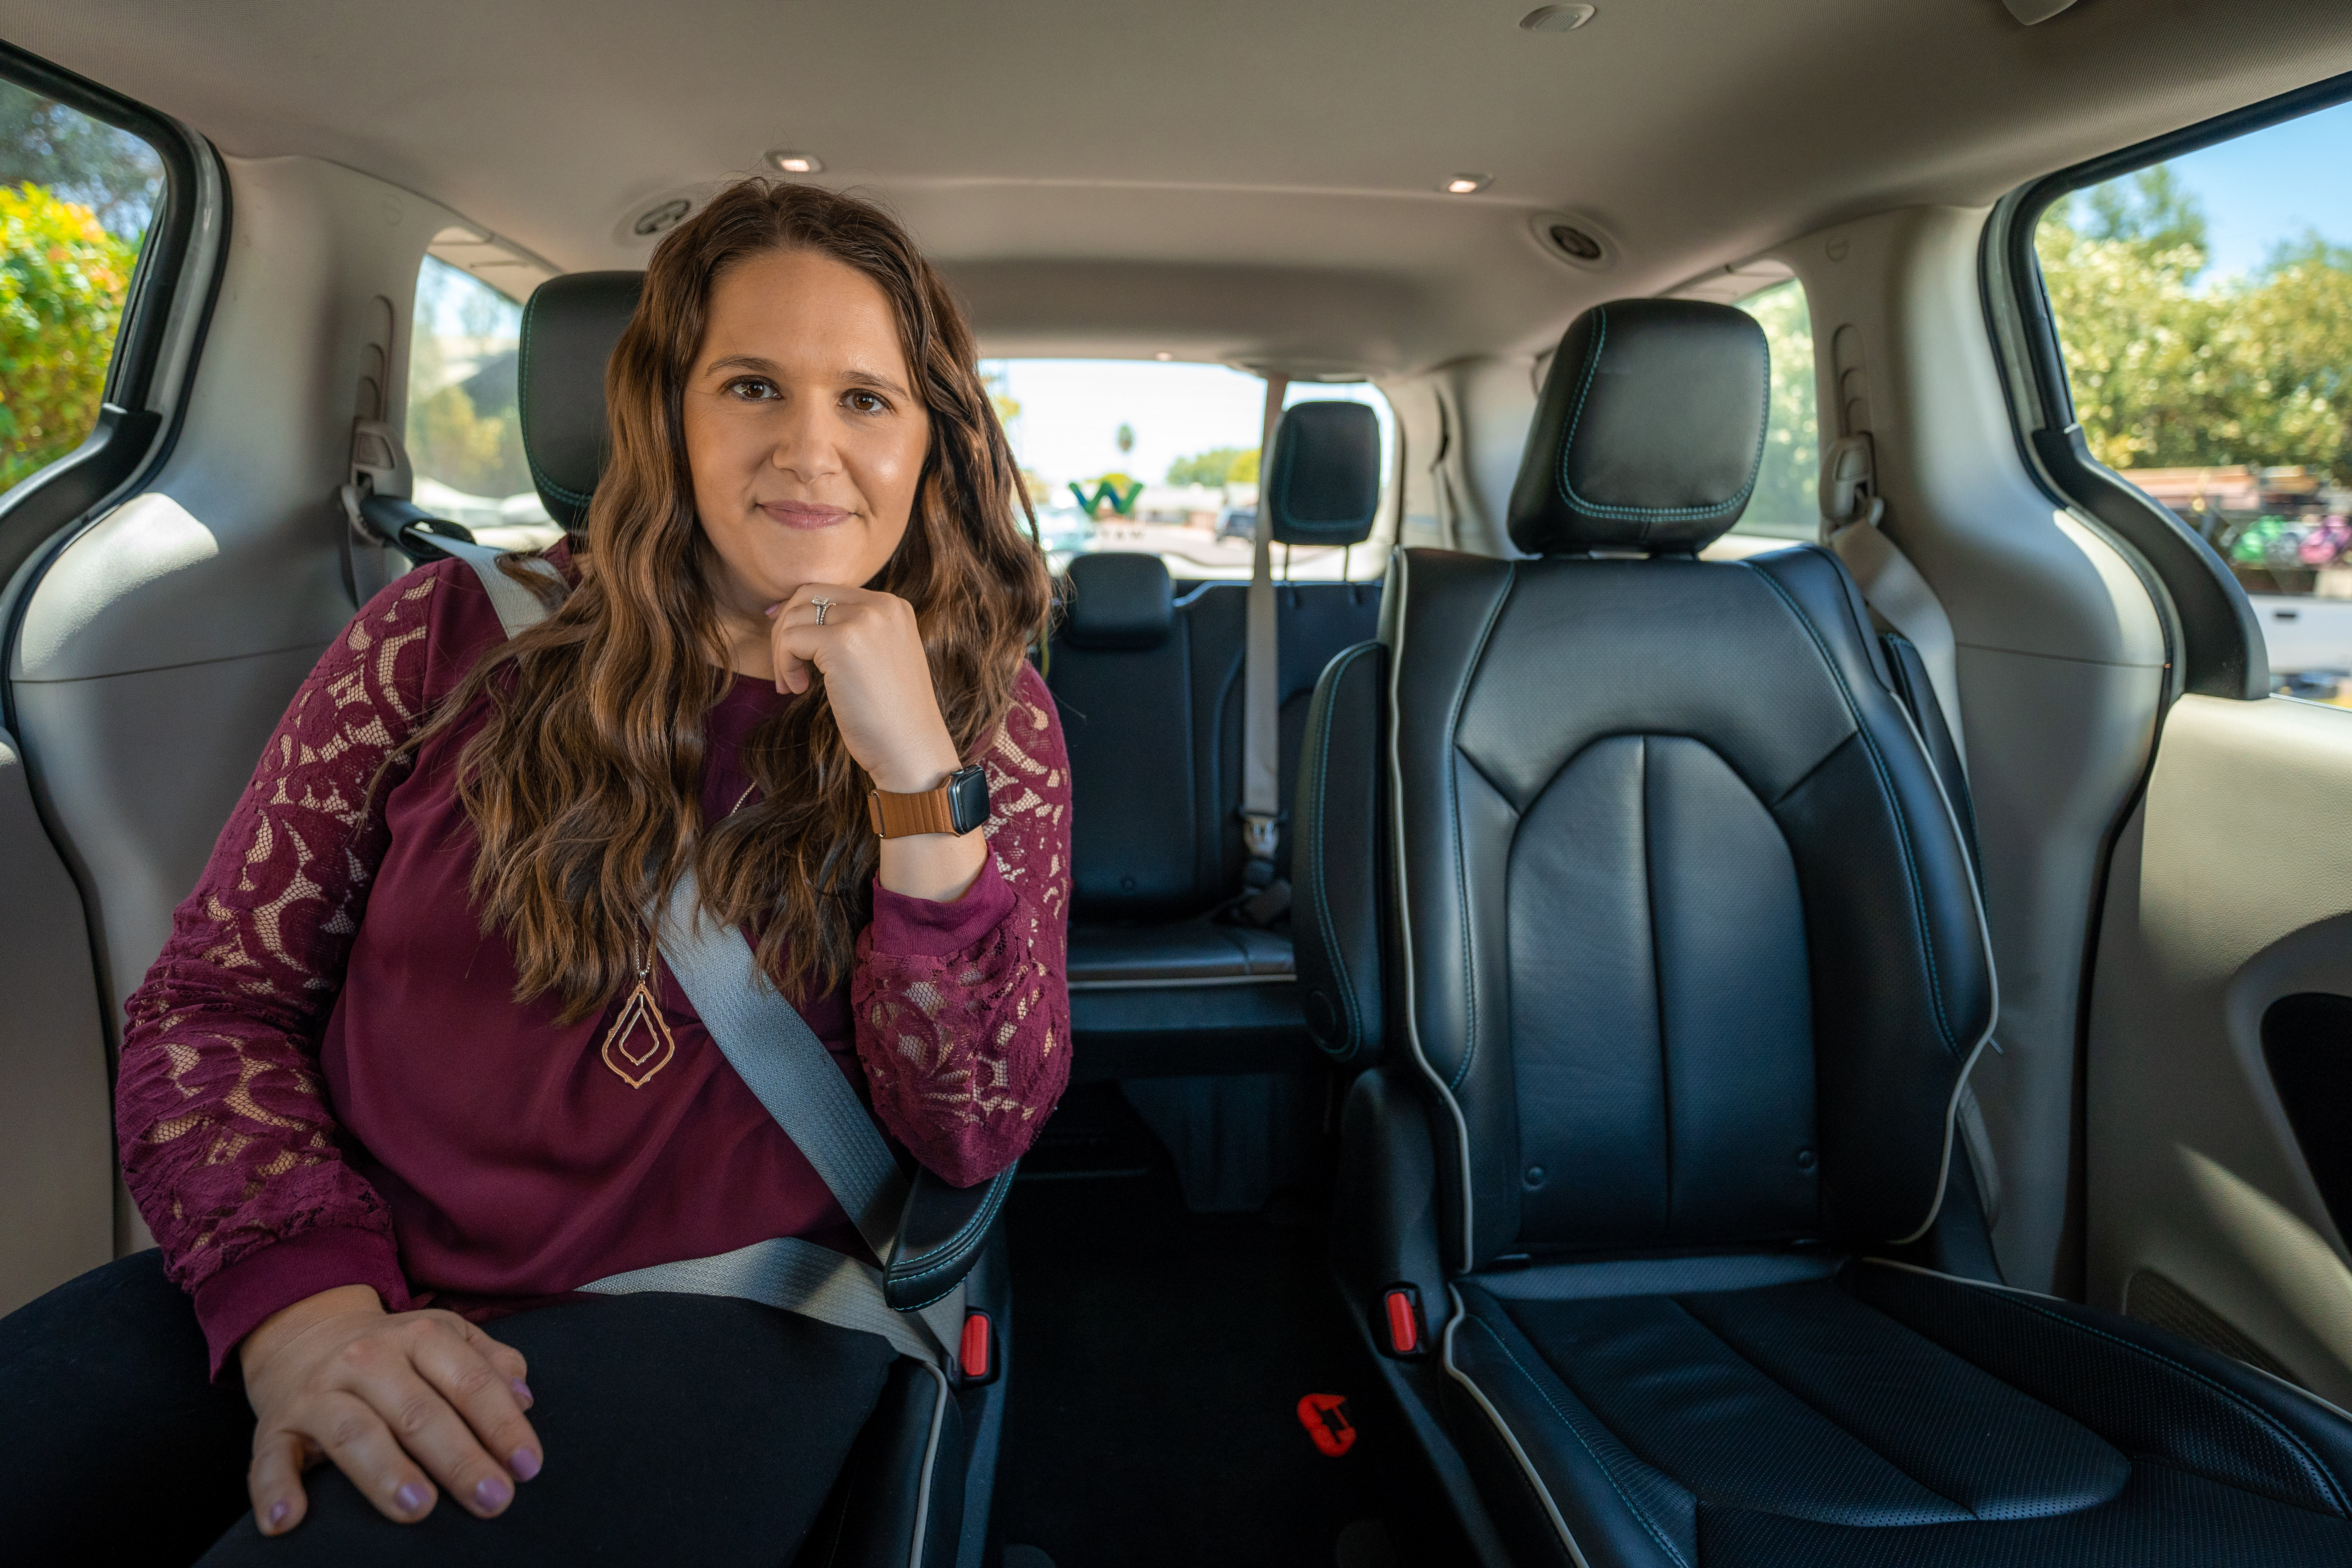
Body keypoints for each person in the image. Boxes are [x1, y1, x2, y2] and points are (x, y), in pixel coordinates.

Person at [0, 179, 1072, 1565]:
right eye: (753, 385)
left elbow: (971, 1125)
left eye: (867, 399)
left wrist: (913, 773)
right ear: (664, 416)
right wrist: (309, 1312)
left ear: (929, 440)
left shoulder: (983, 716)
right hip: (338, 1264)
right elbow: (215, 1004)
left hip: (714, 1325)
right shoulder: (438, 636)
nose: (813, 449)